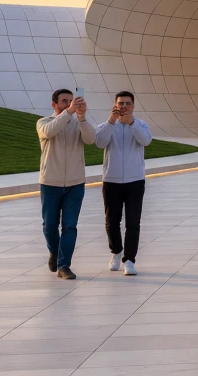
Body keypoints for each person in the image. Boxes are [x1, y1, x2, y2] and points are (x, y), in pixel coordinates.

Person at [37, 88, 94, 280]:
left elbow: (91, 139)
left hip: (75, 183)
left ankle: (64, 265)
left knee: (70, 226)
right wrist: (68, 113)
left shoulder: (78, 124)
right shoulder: (44, 122)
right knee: (49, 226)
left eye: (71, 101)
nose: (69, 104)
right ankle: (54, 251)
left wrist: (82, 117)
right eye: (64, 101)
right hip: (50, 183)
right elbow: (49, 132)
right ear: (54, 104)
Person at [95, 91, 151, 277]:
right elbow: (100, 142)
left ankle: (130, 260)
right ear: (115, 105)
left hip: (135, 181)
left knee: (133, 222)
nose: (124, 107)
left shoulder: (140, 125)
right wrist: (112, 121)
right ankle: (116, 251)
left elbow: (145, 140)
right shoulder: (107, 125)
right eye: (120, 103)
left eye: (127, 103)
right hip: (111, 181)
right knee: (112, 221)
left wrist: (131, 124)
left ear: (133, 106)